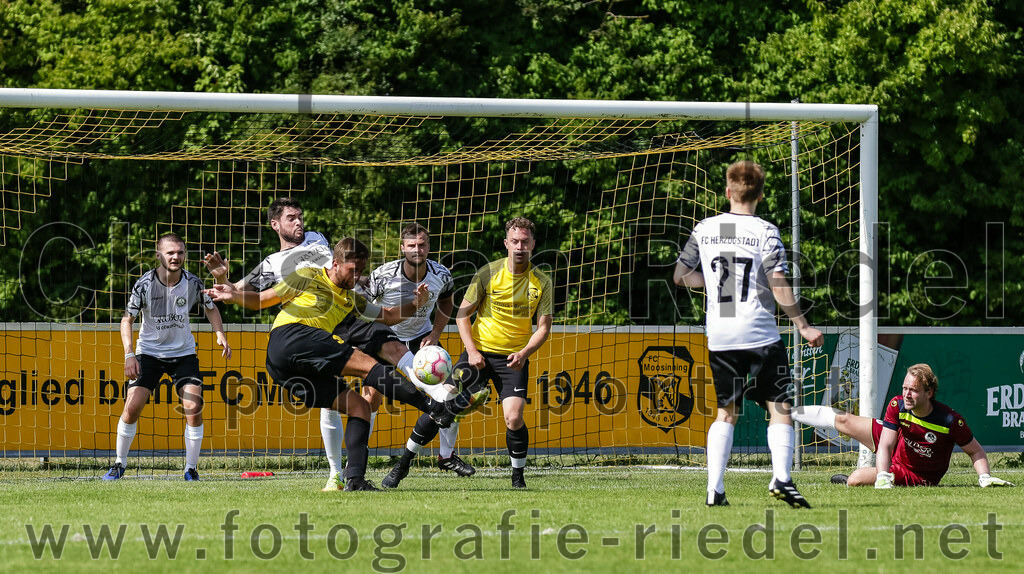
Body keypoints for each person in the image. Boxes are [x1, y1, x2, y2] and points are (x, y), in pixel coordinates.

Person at [203, 198, 438, 491]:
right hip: (300, 332)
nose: (299, 222)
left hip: (312, 341)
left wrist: (415, 302)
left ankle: (354, 479)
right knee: (368, 370)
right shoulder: (280, 267)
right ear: (275, 224)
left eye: (300, 216)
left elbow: (388, 314)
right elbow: (247, 295)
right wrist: (225, 280)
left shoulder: (320, 244)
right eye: (291, 218)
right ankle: (432, 405)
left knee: (361, 402)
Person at [674, 160, 824, 508]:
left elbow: (680, 276)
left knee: (726, 412)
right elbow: (777, 281)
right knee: (780, 406)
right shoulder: (765, 231)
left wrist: (713, 285)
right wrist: (802, 325)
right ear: (761, 194)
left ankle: (714, 489)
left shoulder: (705, 228)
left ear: (728, 191)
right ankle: (782, 478)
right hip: (758, 331)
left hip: (721, 334)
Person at [382, 217, 553, 490]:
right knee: (441, 404)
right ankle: (401, 466)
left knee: (514, 417)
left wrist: (524, 353)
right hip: (478, 355)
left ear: (533, 244)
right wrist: (472, 351)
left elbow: (543, 328)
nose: (520, 247)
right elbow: (462, 315)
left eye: (525, 242)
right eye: (515, 241)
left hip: (513, 360)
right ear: (506, 243)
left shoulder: (542, 281)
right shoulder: (488, 273)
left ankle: (518, 478)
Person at [104, 233, 232, 481]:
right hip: (149, 353)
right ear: (158, 255)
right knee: (132, 407)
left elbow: (211, 308)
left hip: (183, 354)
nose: (176, 257)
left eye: (180, 252)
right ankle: (119, 463)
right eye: (170, 252)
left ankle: (191, 469)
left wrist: (220, 334)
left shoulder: (192, 282)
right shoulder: (144, 284)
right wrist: (129, 354)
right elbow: (127, 320)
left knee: (194, 407)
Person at [358, 222, 476, 477]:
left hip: (422, 339)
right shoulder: (383, 275)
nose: (417, 250)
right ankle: (357, 463)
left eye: (421, 245)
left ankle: (447, 456)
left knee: (450, 394)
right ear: (402, 248)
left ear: (428, 247)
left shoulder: (441, 274)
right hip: (384, 339)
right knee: (370, 400)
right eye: (411, 245)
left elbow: (447, 301)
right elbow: (363, 308)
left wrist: (435, 334)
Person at [793, 363, 1015, 488]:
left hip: (916, 474)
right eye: (905, 388)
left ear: (929, 393)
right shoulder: (897, 405)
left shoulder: (950, 420)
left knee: (855, 479)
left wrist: (984, 478)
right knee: (844, 420)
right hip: (898, 444)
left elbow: (975, 451)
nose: (906, 394)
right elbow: (886, 445)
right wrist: (882, 475)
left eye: (913, 390)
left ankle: (857, 478)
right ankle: (786, 412)